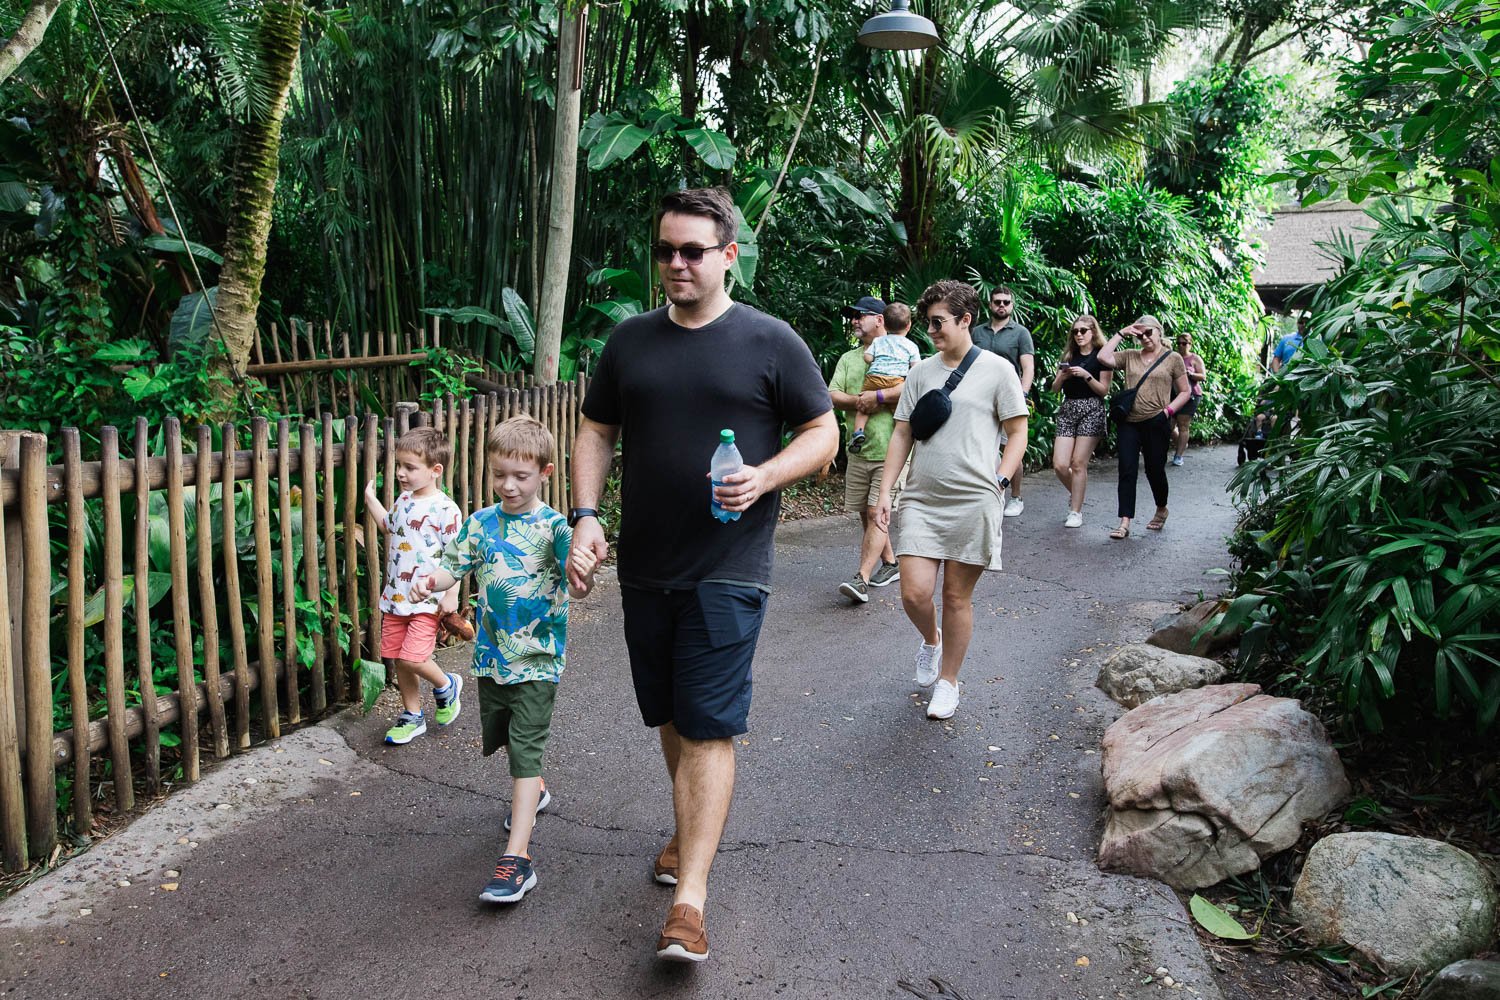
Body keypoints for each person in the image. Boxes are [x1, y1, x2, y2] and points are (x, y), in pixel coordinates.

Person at [567, 186, 838, 963]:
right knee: (670, 715)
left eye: (693, 250)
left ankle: (691, 901)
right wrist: (586, 515)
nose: (676, 263)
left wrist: (765, 476)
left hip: (730, 567)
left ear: (729, 255)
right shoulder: (630, 342)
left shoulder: (770, 341)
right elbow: (596, 429)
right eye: (666, 250)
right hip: (647, 566)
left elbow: (821, 432)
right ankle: (688, 834)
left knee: (710, 722)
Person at [410, 416, 598, 905]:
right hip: (492, 658)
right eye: (500, 474)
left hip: (538, 659)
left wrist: (583, 575)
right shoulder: (480, 523)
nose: (508, 485)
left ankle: (518, 859)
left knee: (525, 745)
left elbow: (580, 585)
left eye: (520, 475)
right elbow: (451, 566)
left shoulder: (556, 528)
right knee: (504, 737)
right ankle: (535, 790)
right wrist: (429, 582)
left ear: (545, 472)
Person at [876, 279, 1027, 721]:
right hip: (923, 498)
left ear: (965, 319)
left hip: (974, 500)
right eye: (928, 323)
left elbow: (1017, 432)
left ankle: (949, 681)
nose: (932, 331)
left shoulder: (998, 370)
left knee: (957, 597)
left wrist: (1000, 480)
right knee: (913, 593)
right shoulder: (921, 371)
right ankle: (931, 640)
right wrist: (887, 491)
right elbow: (903, 432)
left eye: (939, 322)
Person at [362, 427, 464, 746]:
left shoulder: (446, 510)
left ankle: (447, 685)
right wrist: (369, 498)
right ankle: (412, 715)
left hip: (426, 601)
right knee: (396, 656)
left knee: (412, 657)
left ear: (435, 471)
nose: (401, 474)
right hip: (395, 597)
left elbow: (456, 556)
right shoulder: (404, 500)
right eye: (399, 466)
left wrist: (451, 594)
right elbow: (388, 526)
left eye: (409, 467)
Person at [829, 298, 904, 603]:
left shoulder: (901, 350)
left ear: (880, 319)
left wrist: (879, 396)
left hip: (892, 450)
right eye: (853, 317)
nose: (854, 321)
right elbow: (832, 394)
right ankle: (890, 563)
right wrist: (862, 400)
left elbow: (913, 389)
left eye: (860, 316)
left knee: (876, 511)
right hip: (859, 449)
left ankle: (861, 579)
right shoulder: (848, 358)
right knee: (866, 512)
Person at [1098, 315, 1192, 539]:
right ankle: (1124, 522)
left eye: (1149, 332)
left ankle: (1161, 508)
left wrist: (1168, 412)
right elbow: (1103, 357)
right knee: (1127, 470)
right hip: (1129, 421)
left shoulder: (1173, 358)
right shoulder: (1130, 356)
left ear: (1159, 332)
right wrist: (1122, 332)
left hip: (1157, 421)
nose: (1145, 337)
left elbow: (1185, 391)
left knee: (1154, 470)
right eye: (1141, 334)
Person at [971, 284, 1034, 516]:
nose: (1001, 306)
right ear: (990, 304)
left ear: (1011, 305)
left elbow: (1028, 368)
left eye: (1006, 302)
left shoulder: (1020, 333)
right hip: (979, 396)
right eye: (997, 301)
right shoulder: (977, 332)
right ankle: (985, 492)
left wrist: (1022, 395)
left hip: (1009, 397)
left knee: (1011, 447)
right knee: (981, 444)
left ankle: (1016, 497)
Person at [1049, 314, 1112, 527]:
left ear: (1093, 332)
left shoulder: (1101, 357)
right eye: (1075, 331)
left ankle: (1075, 511)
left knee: (1078, 463)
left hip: (1091, 408)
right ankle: (1078, 492)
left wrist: (1086, 375)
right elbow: (1055, 389)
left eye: (1083, 331)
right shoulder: (1069, 354)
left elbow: (1103, 391)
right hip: (1068, 408)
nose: (1078, 335)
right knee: (1059, 464)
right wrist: (1062, 377)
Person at [848, 301, 918, 454]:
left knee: (863, 407)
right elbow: (915, 368)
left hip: (875, 378)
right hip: (896, 380)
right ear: (908, 325)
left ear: (884, 325)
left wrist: (874, 361)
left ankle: (858, 432)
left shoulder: (878, 342)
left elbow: (867, 357)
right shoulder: (911, 346)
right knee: (900, 412)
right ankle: (904, 437)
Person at [1170, 332, 1207, 466]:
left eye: (1184, 343)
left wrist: (1190, 373)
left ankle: (1178, 456)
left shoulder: (1194, 359)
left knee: (1183, 424)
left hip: (1191, 394)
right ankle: (1181, 443)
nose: (1181, 346)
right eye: (1179, 343)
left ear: (1190, 344)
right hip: (1174, 394)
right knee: (1168, 425)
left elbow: (1203, 376)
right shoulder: (1173, 357)